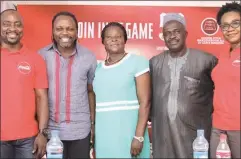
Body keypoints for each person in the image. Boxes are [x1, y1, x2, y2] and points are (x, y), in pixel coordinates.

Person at [150, 13, 218, 158]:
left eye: (176, 31)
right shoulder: (154, 63)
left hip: (195, 134)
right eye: (167, 33)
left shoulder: (207, 60)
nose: (172, 36)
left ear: (185, 34)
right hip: (163, 134)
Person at [38, 11, 97, 159]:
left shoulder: (89, 57)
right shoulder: (41, 56)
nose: (65, 32)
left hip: (80, 130)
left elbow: (91, 91)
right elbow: (37, 95)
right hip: (50, 131)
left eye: (70, 29)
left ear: (77, 32)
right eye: (59, 28)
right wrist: (40, 131)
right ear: (52, 31)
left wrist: (93, 123)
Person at [93, 22, 151, 158]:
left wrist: (139, 136)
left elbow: (145, 102)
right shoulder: (98, 69)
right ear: (103, 42)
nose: (114, 39)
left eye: (118, 36)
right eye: (109, 37)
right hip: (104, 136)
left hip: (130, 135)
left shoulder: (138, 62)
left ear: (125, 40)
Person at [0, 9, 49, 159]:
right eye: (6, 24)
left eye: (17, 24)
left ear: (22, 28)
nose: (13, 29)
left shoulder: (36, 59)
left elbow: (42, 97)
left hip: (29, 139)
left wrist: (42, 133)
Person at [210, 2, 240, 158]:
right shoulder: (221, 54)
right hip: (218, 128)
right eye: (225, 26)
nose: (230, 29)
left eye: (236, 23)